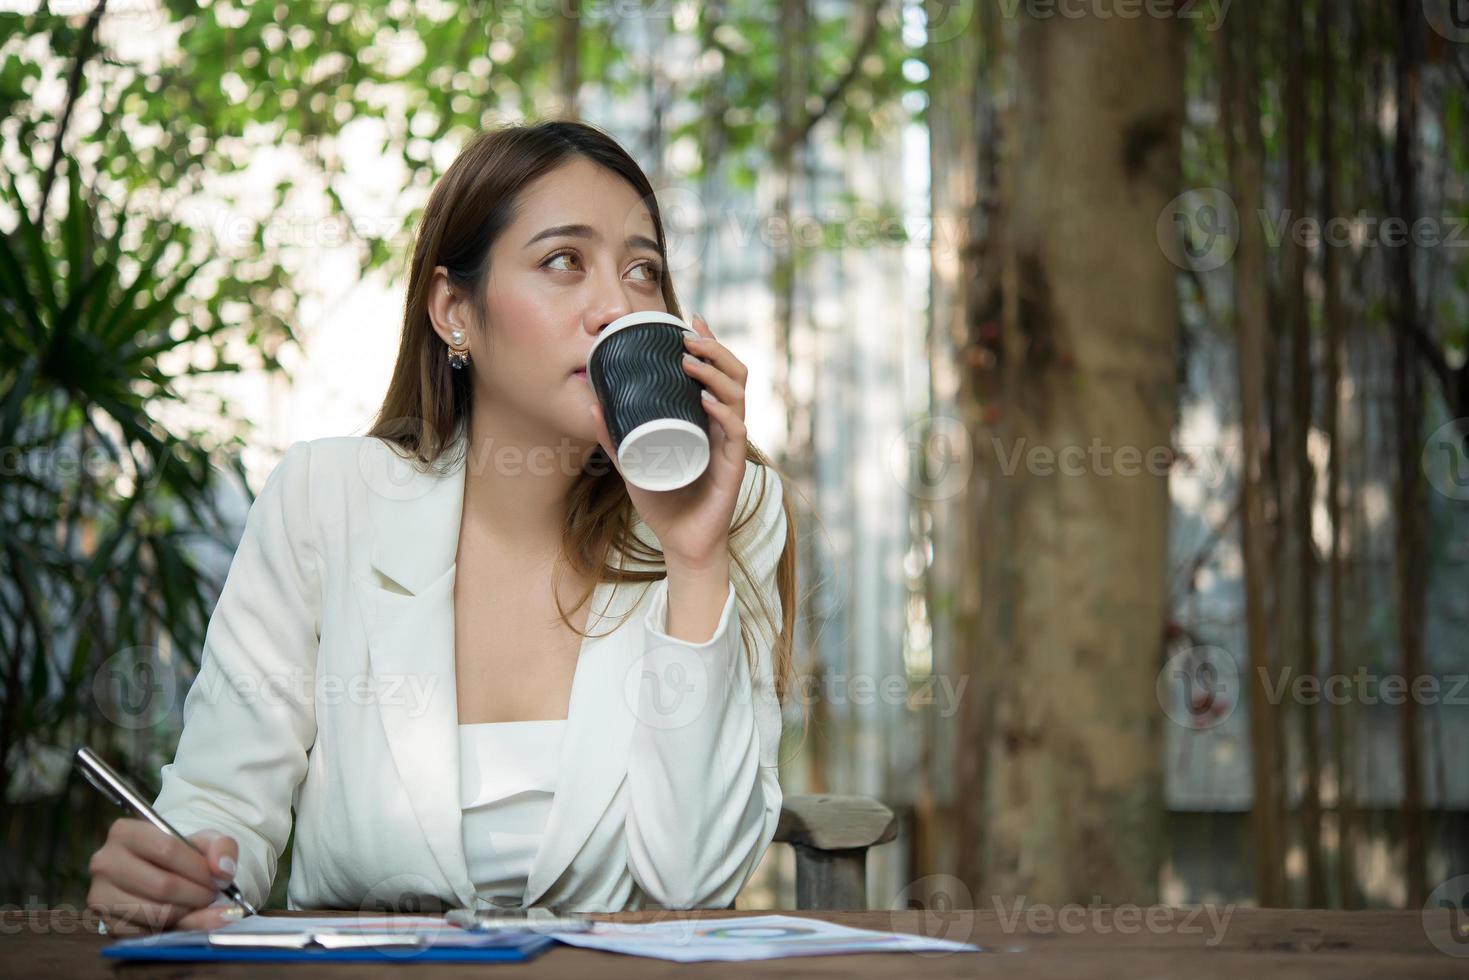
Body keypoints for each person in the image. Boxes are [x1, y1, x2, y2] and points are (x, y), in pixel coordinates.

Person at [84, 119, 797, 935]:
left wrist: (693, 555)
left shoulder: (728, 508)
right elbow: (221, 814)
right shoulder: (326, 499)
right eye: (564, 261)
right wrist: (174, 877)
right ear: (454, 311)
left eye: (644, 271)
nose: (616, 304)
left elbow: (694, 885)